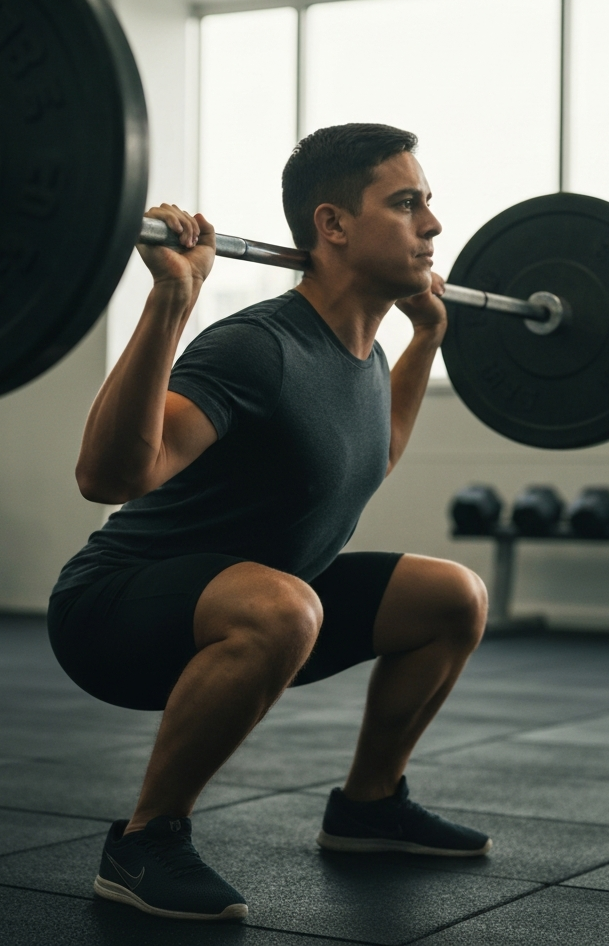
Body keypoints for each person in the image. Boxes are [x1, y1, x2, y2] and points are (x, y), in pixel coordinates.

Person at [48, 123, 491, 923]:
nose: (433, 226)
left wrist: (426, 337)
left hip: (268, 599)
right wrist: (171, 298)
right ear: (333, 225)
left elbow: (371, 457)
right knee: (287, 604)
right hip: (114, 611)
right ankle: (144, 842)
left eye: (428, 204)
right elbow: (107, 478)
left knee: (453, 596)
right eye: (407, 204)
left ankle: (369, 804)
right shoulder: (257, 347)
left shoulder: (362, 356)